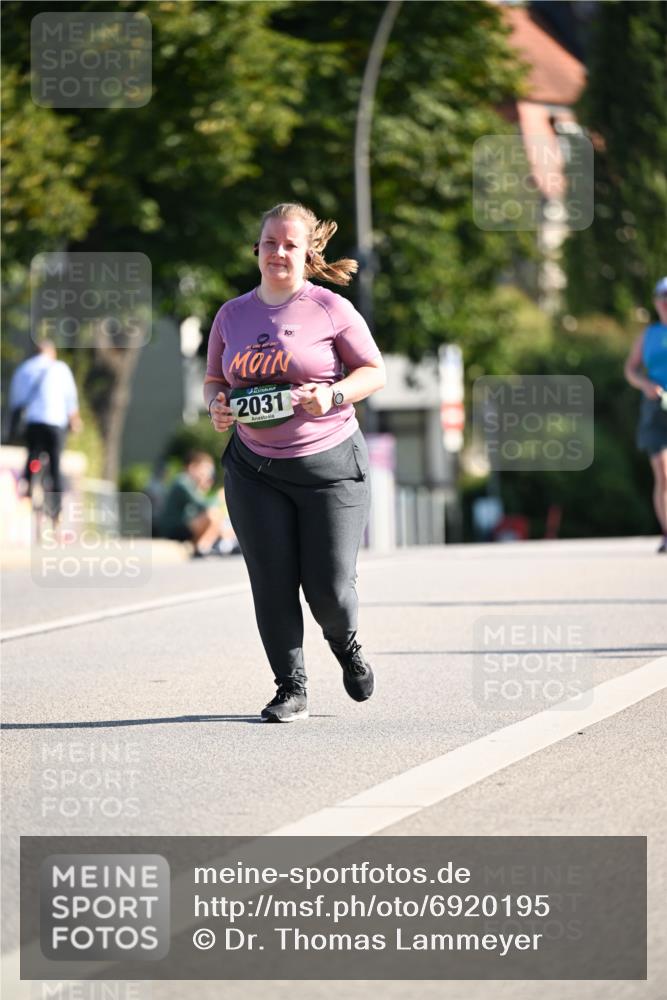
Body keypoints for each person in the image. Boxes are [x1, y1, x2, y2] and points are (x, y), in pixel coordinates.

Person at [204, 202, 386, 722]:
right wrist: (216, 406)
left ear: (308, 253)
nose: (278, 252)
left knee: (328, 588)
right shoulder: (231, 315)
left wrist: (330, 397)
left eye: (289, 244)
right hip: (254, 469)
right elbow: (217, 380)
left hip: (329, 468)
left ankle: (346, 645)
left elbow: (373, 372)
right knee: (271, 580)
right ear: (257, 250)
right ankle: (291, 688)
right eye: (269, 243)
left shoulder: (330, 308)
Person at [8, 339, 82, 521]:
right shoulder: (60, 368)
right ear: (52, 352)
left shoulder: (24, 369)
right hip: (55, 423)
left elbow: (16, 401)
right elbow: (70, 400)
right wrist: (75, 421)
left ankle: (28, 484)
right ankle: (56, 509)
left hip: (33, 423)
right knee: (55, 463)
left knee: (33, 454)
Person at [624, 276, 667, 553]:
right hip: (655, 408)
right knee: (663, 473)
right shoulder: (648, 334)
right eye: (663, 299)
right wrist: (645, 384)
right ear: (656, 302)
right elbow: (630, 369)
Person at [158, 450, 237, 557]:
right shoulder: (182, 481)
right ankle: (202, 547)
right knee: (212, 515)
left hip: (185, 525)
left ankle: (211, 545)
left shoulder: (191, 483)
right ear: (192, 467)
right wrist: (218, 496)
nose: (208, 474)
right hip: (173, 528)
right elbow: (203, 505)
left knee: (217, 517)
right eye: (205, 470)